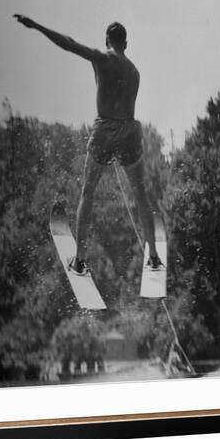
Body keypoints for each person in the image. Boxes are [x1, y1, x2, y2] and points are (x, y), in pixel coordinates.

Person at [13, 14, 162, 275]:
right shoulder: (135, 72)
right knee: (140, 195)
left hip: (105, 130)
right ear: (126, 44)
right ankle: (153, 256)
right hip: (130, 131)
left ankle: (80, 261)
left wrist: (37, 26)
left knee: (88, 193)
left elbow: (69, 43)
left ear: (107, 41)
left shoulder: (103, 58)